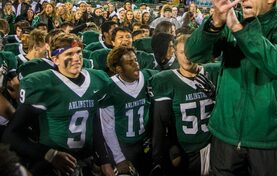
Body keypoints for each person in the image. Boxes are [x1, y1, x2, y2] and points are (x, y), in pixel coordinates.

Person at [185, 0, 277, 175]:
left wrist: (240, 29)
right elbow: (193, 54)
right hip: (225, 134)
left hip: (266, 138)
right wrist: (215, 23)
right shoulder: (229, 20)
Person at [3, 33, 111, 176]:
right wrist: (50, 154)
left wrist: (104, 158)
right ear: (55, 59)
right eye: (69, 54)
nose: (77, 58)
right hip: (53, 165)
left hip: (87, 161)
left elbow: (95, 120)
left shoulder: (97, 79)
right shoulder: (42, 83)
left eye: (79, 52)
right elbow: (11, 135)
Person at [151, 34, 220, 175]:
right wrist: (163, 153)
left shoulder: (214, 71)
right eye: (182, 52)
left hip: (215, 146)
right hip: (185, 151)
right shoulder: (166, 80)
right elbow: (160, 123)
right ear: (175, 53)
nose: (186, 57)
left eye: (190, 52)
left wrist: (217, 97)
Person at [99, 46, 155, 176]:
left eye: (136, 60)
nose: (136, 65)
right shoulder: (109, 87)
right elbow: (107, 127)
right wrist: (119, 158)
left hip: (145, 141)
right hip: (123, 145)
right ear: (118, 68)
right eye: (130, 63)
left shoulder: (147, 77)